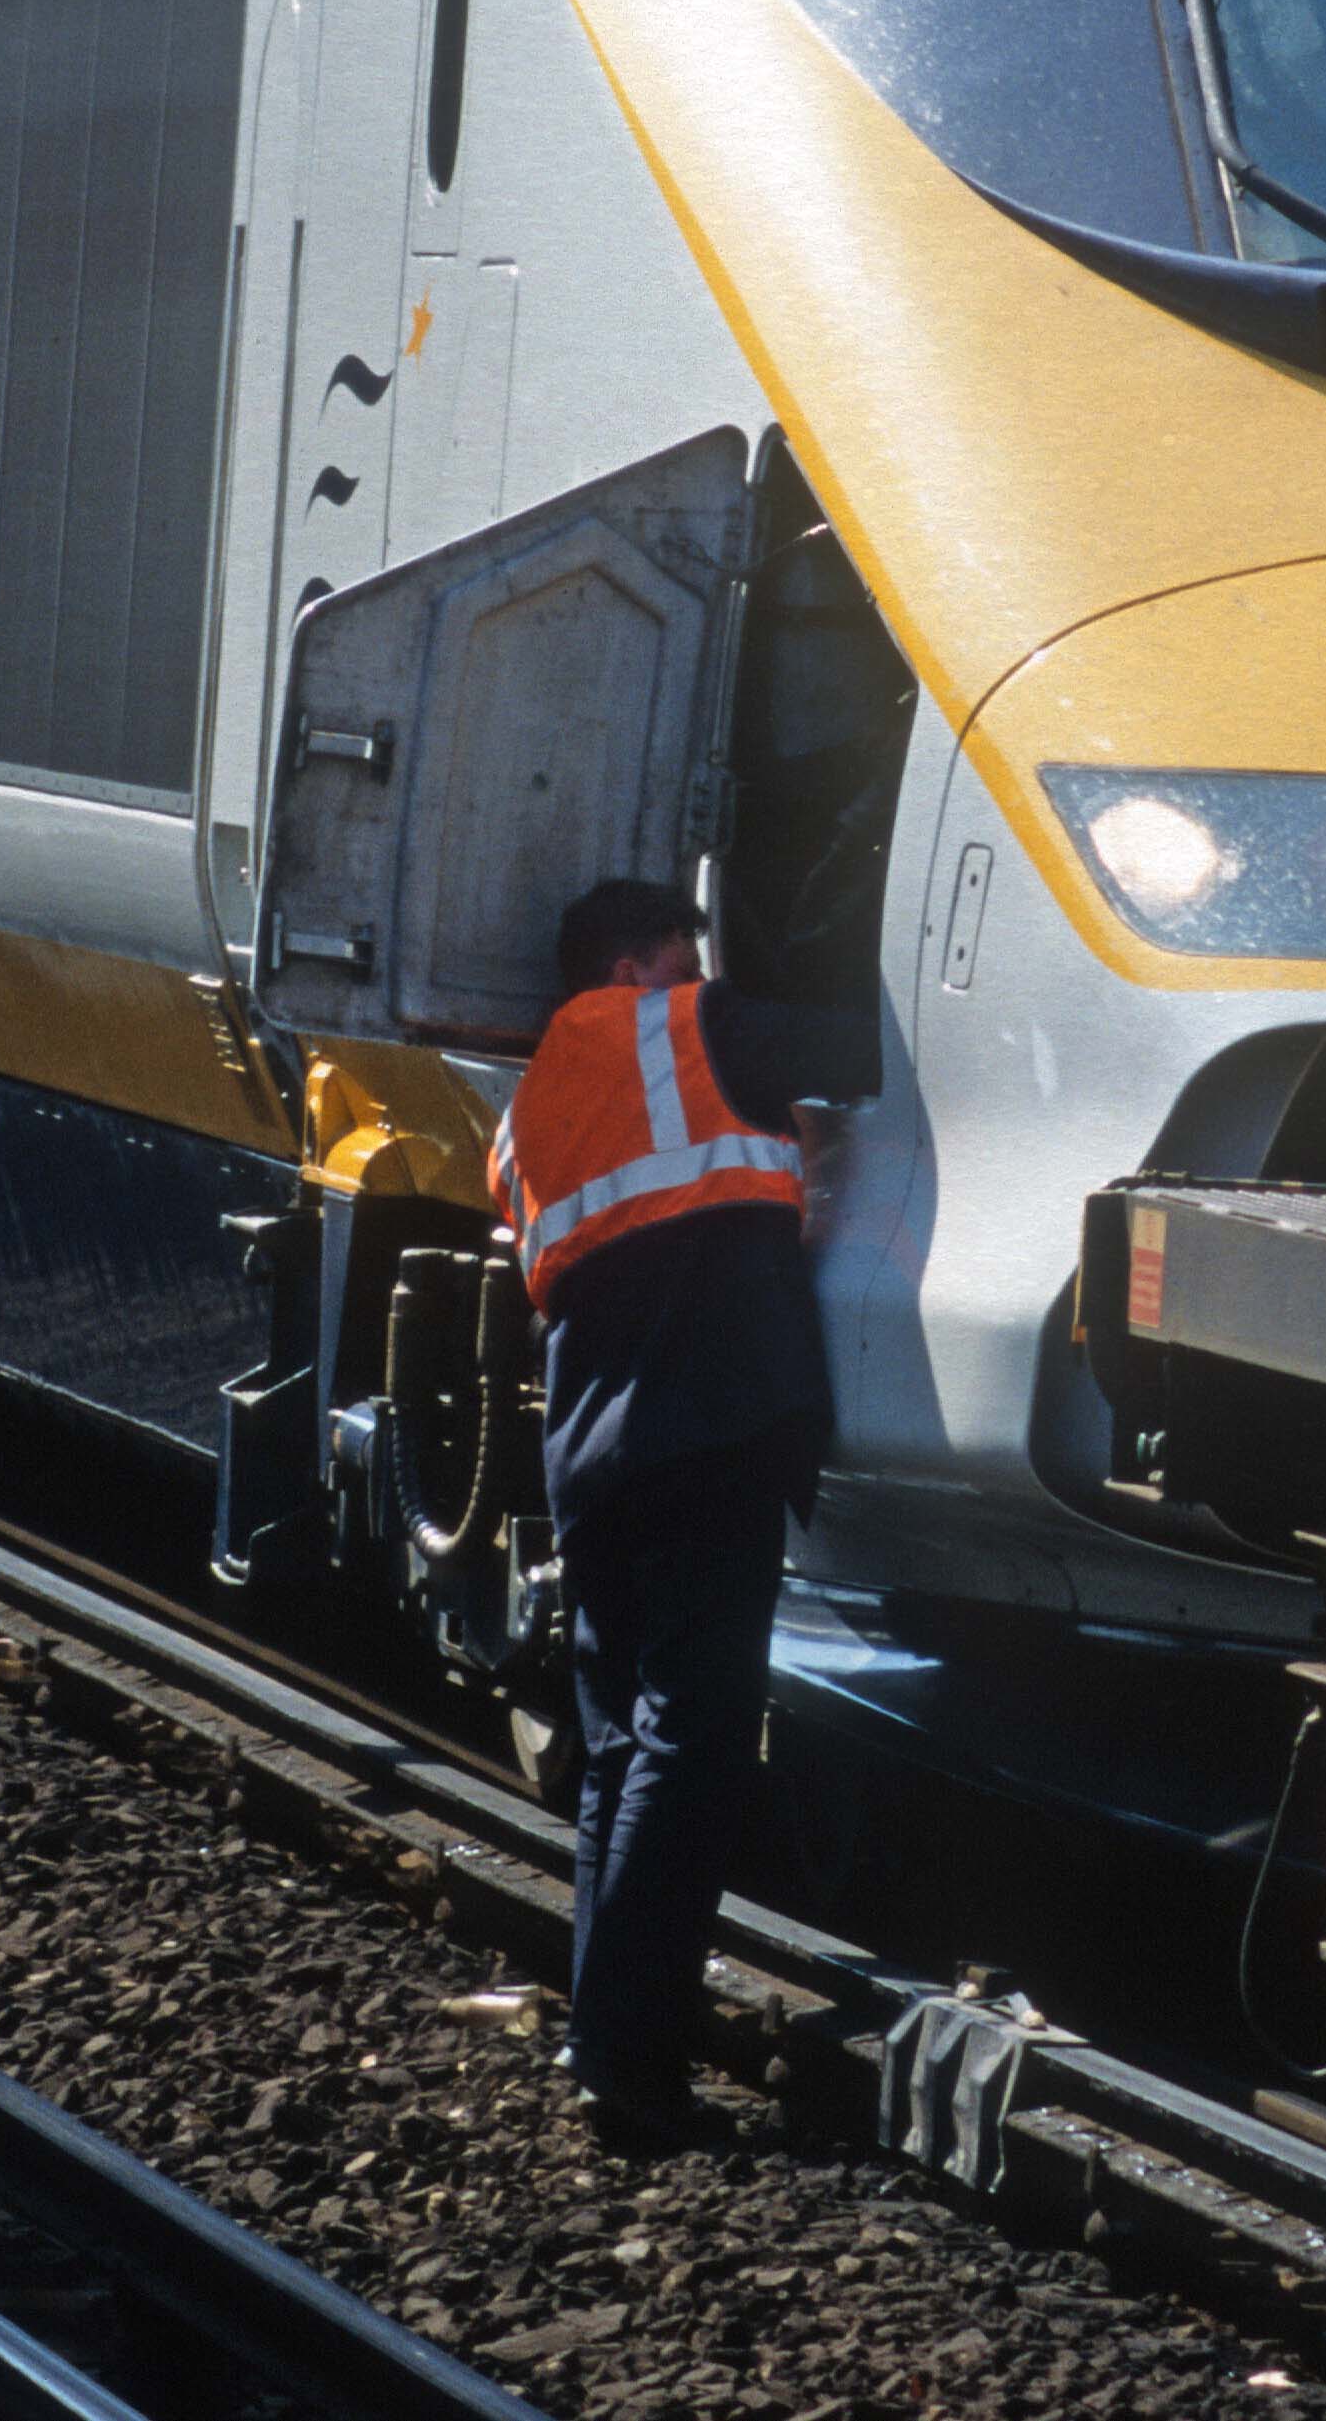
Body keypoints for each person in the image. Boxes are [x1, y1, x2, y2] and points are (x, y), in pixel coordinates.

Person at [491, 875, 874, 2146]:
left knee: (618, 1748)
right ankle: (626, 2063)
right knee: (690, 1744)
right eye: (681, 952)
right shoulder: (690, 1023)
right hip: (710, 1422)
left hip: (590, 1452)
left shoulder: (519, 1116)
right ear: (634, 964)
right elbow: (875, 1040)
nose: (697, 973)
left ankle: (601, 2037)